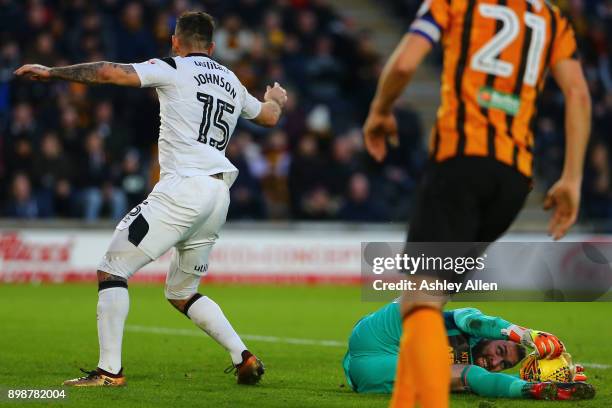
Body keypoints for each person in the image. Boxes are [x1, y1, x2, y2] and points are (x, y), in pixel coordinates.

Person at [14, 11, 287, 387]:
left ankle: (109, 372)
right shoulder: (232, 81)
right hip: (218, 195)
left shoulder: (172, 68)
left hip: (182, 190)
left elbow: (109, 71)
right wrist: (276, 98)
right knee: (181, 292)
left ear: (176, 41)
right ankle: (243, 357)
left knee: (112, 268)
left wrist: (53, 72)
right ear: (211, 47)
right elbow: (270, 117)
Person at [362, 1, 591, 406]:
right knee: (431, 302)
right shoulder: (552, 19)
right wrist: (572, 177)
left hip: (460, 163)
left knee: (419, 302)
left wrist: (379, 112)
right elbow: (577, 93)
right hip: (515, 181)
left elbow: (403, 64)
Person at [343, 303, 594, 400]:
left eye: (502, 364)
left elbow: (478, 376)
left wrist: (541, 378)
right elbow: (479, 322)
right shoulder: (467, 322)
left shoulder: (472, 366)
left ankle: (536, 389)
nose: (495, 360)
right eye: (499, 350)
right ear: (489, 339)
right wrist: (527, 335)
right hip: (379, 335)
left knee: (466, 375)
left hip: (370, 370)